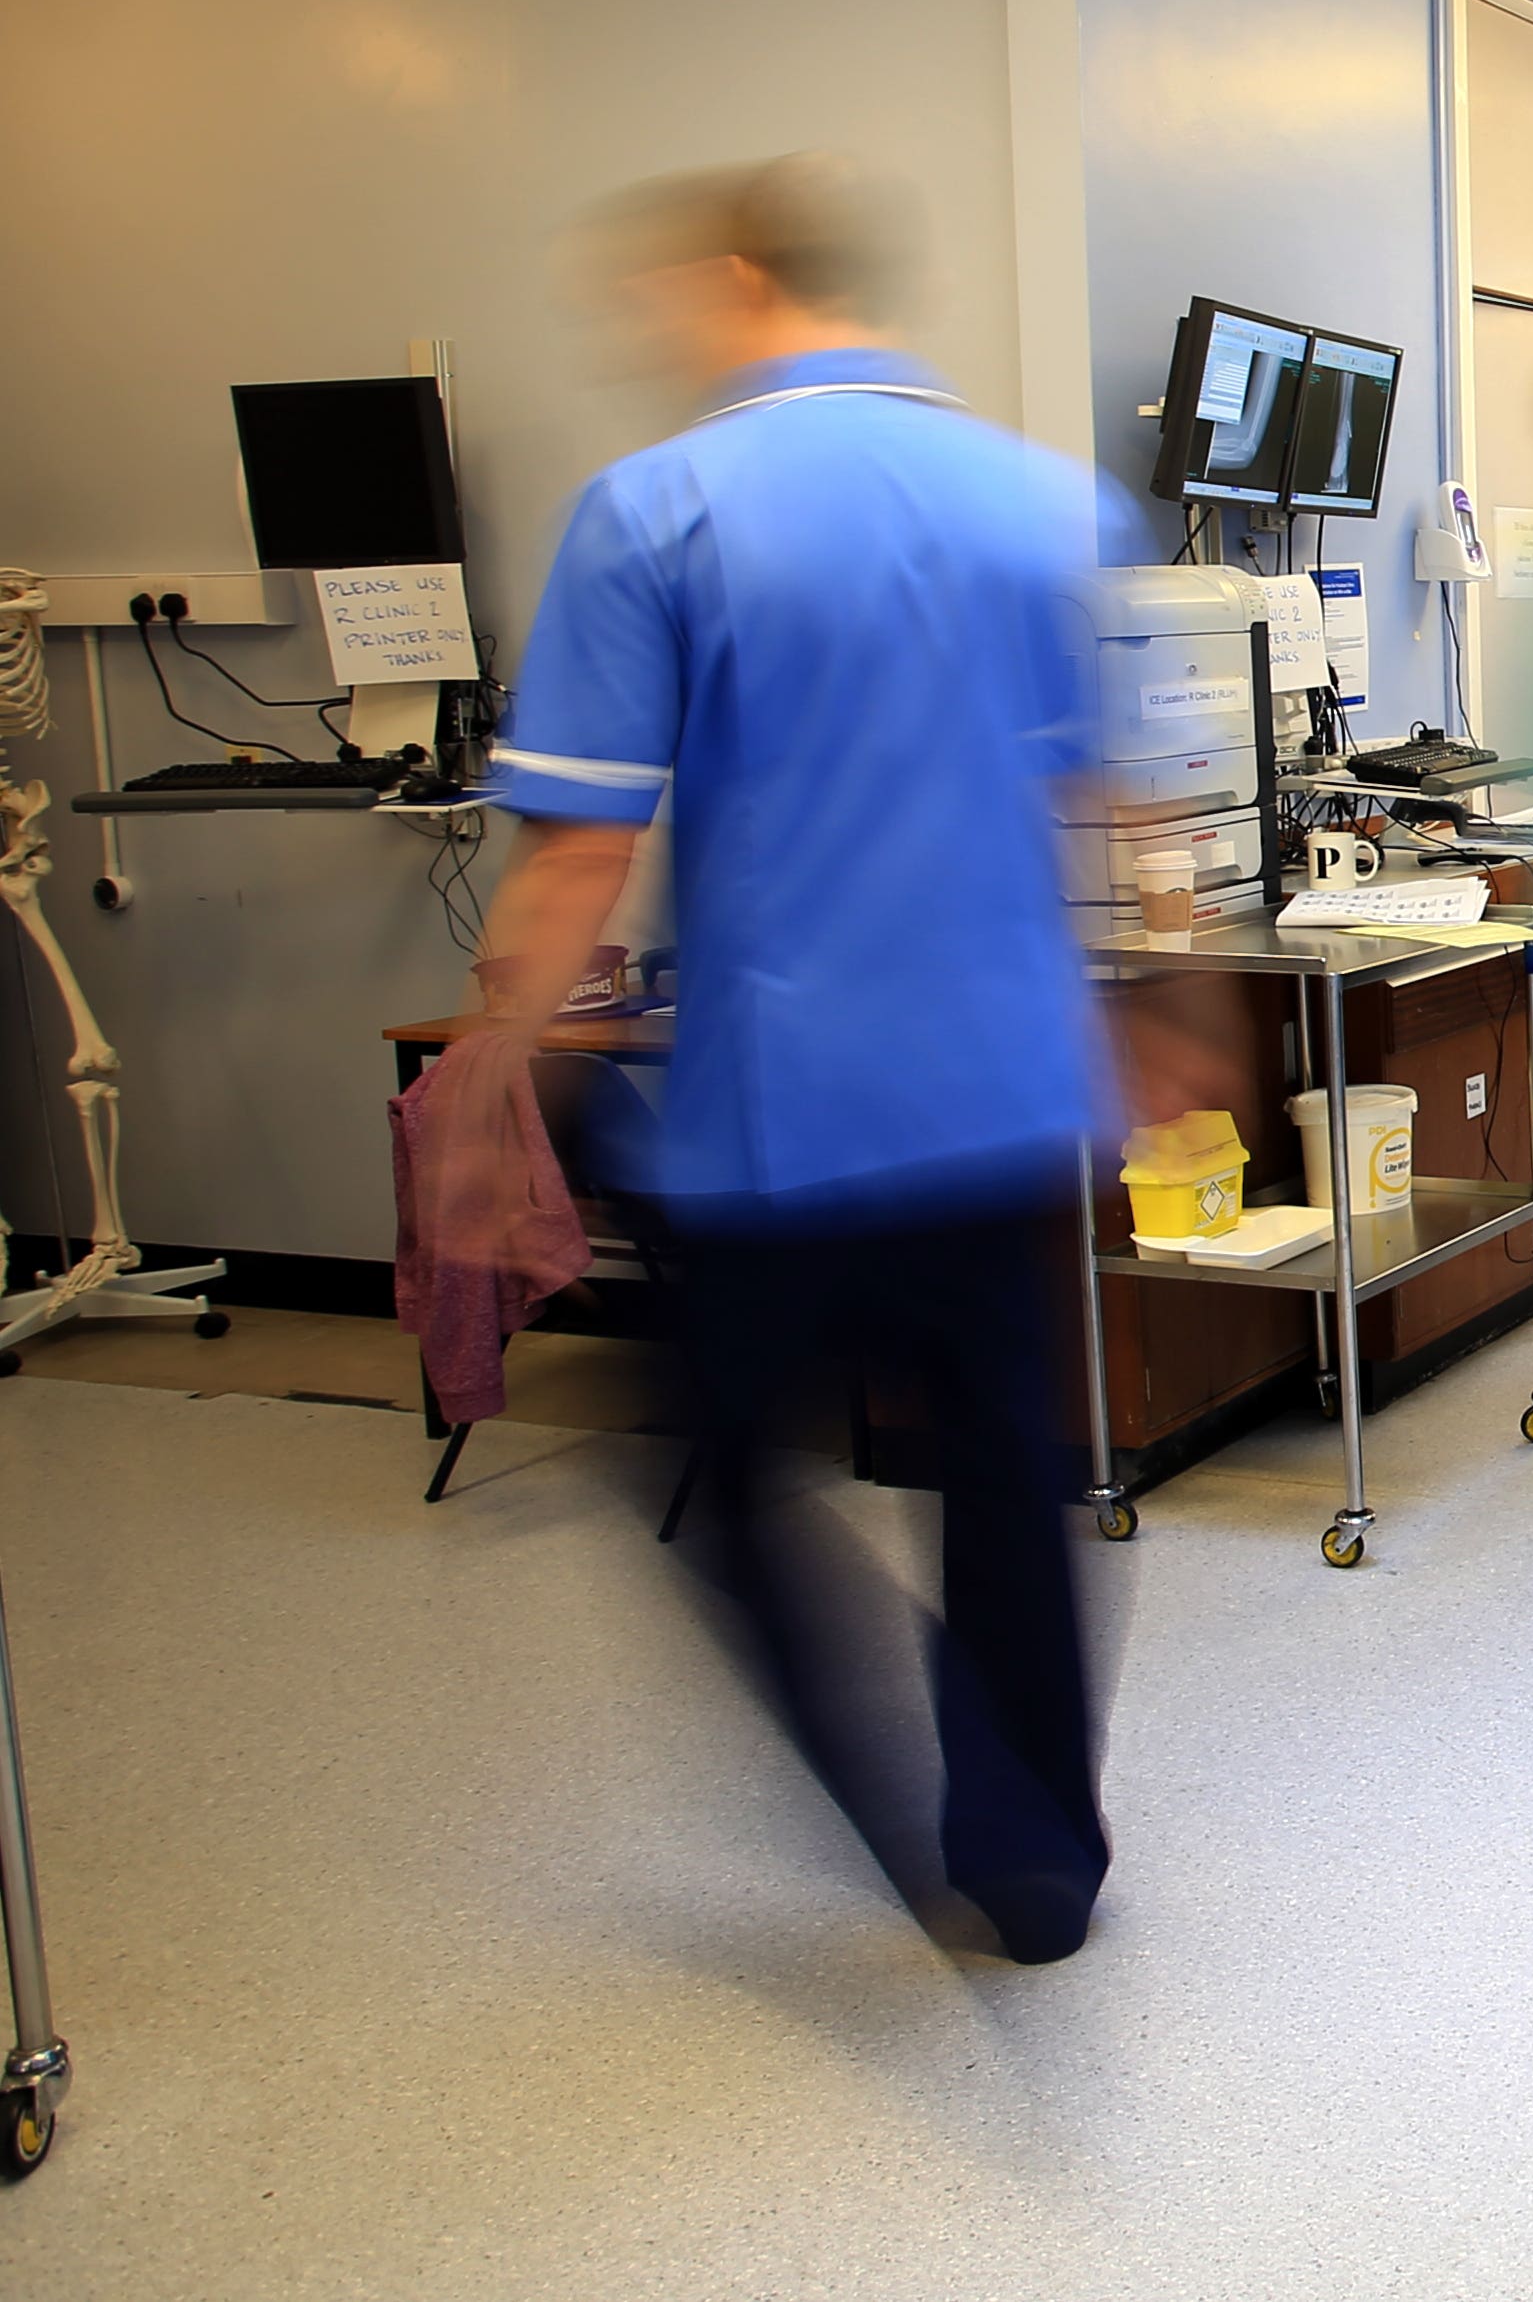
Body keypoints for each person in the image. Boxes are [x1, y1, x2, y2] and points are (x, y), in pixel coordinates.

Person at [468, 154, 1125, 1961]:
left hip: (788, 1118)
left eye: (671, 290)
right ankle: (1036, 1860)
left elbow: (579, 853)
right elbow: (1099, 803)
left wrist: (492, 1076)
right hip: (1004, 1093)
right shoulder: (1042, 504)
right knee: (1004, 1473)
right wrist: (1182, 1027)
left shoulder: (658, 507)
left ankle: (893, 1790)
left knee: (725, 1476)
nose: (654, 325)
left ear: (743, 280)